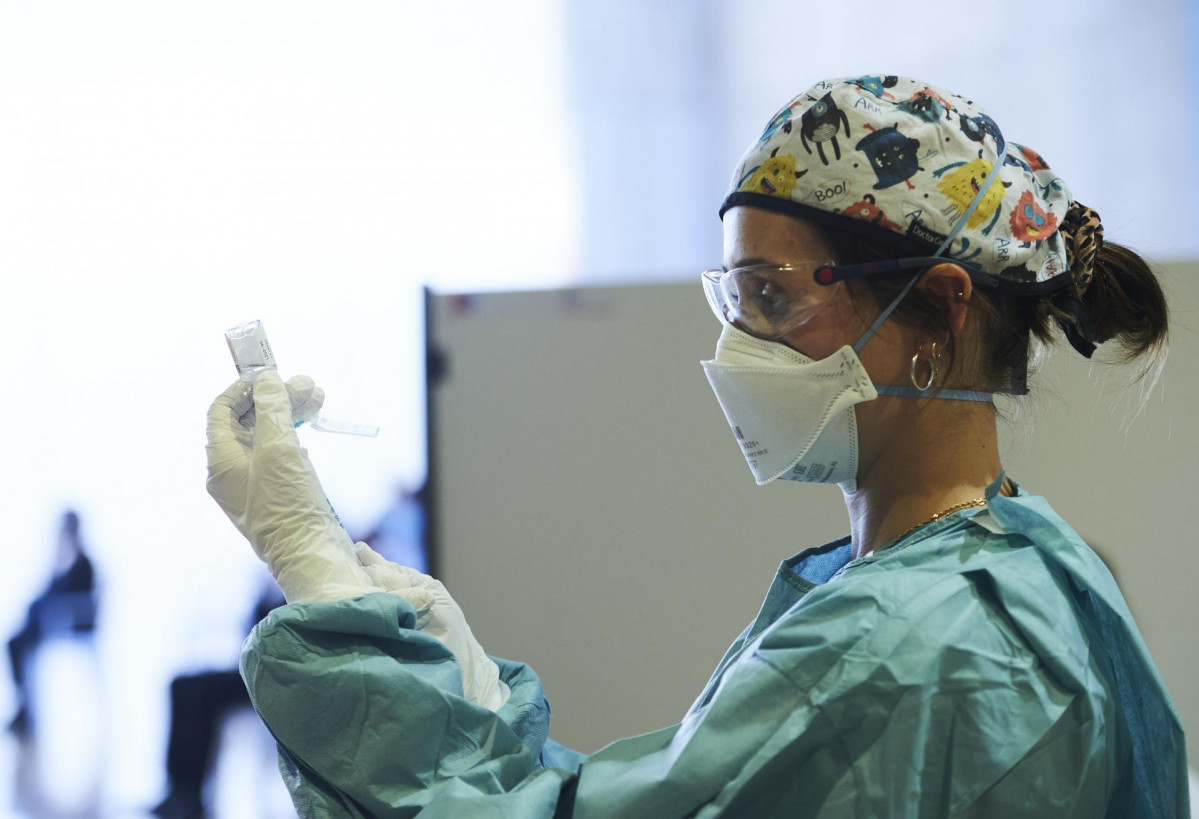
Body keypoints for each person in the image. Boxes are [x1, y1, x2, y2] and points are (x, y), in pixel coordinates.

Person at [205, 76, 1189, 817]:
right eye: (732, 299)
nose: (737, 346)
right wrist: (456, 670)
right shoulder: (1021, 566)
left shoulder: (899, 650)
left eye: (774, 297)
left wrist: (317, 572)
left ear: (932, 311)